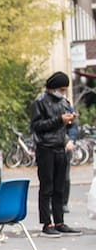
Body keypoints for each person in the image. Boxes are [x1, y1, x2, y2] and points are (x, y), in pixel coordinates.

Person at [30, 72, 82, 236]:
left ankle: (60, 221)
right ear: (53, 88)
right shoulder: (40, 102)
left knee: (60, 187)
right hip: (45, 148)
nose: (63, 92)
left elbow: (68, 125)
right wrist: (60, 120)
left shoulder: (64, 102)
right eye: (62, 89)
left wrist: (71, 120)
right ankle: (47, 223)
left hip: (61, 147)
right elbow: (37, 126)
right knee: (47, 187)